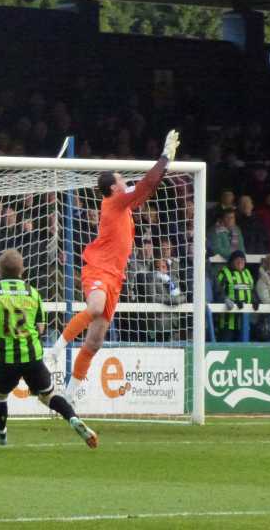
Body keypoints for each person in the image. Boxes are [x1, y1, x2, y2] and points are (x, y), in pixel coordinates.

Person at [48, 130, 180, 402]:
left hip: (116, 277)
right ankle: (54, 351)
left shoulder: (125, 207)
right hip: (98, 268)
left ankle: (70, 394)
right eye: (121, 178)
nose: (124, 179)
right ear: (113, 187)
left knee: (95, 341)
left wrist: (165, 164)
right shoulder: (114, 202)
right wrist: (164, 156)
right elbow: (145, 184)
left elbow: (149, 186)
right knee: (94, 307)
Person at [0, 249, 97, 448]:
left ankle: (1, 433)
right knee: (49, 396)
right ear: (22, 270)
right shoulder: (33, 293)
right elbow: (41, 327)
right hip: (33, 357)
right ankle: (72, 418)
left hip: (6, 358)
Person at [216, 251, 254, 342]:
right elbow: (218, 292)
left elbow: (252, 290)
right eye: (237, 260)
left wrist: (255, 300)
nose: (240, 262)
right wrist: (231, 301)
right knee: (225, 347)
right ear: (232, 261)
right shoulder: (224, 273)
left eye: (242, 260)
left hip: (245, 321)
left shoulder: (247, 273)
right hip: (228, 322)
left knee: (243, 350)